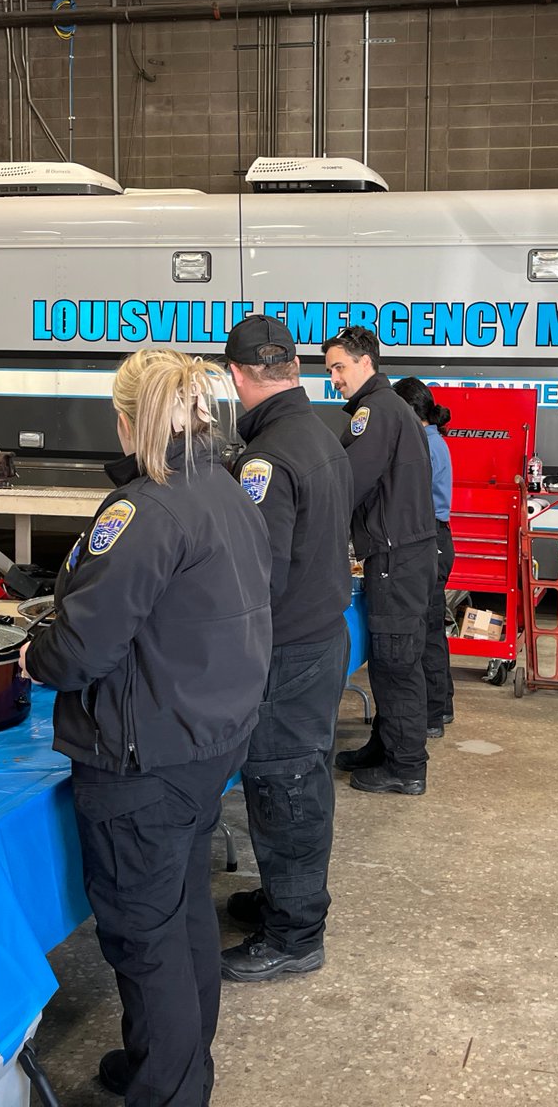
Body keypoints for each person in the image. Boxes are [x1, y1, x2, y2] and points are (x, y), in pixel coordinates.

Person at [20, 348, 272, 1107]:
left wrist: (39, 652)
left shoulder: (144, 510)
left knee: (145, 936)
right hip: (207, 740)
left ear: (127, 420)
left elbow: (82, 649)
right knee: (182, 912)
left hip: (145, 759)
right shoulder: (226, 490)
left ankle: (169, 1089)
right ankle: (169, 1063)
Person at [217, 316, 354, 982]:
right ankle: (282, 899)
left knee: (285, 786)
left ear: (237, 377)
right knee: (304, 775)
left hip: (288, 653)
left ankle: (295, 935)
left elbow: (255, 576)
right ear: (293, 369)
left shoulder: (266, 459)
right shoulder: (321, 435)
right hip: (324, 638)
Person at [322, 325, 437, 795]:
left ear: (365, 363)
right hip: (406, 552)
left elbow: (348, 481)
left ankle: (406, 766)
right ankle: (386, 745)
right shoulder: (392, 409)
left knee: (396, 662)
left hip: (396, 555)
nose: (334, 378)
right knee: (396, 657)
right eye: (330, 370)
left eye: (339, 367)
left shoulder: (374, 412)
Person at [393, 376, 456, 738]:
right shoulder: (433, 440)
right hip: (437, 537)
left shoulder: (423, 446)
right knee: (432, 629)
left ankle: (431, 714)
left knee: (426, 632)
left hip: (429, 538)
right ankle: (441, 705)